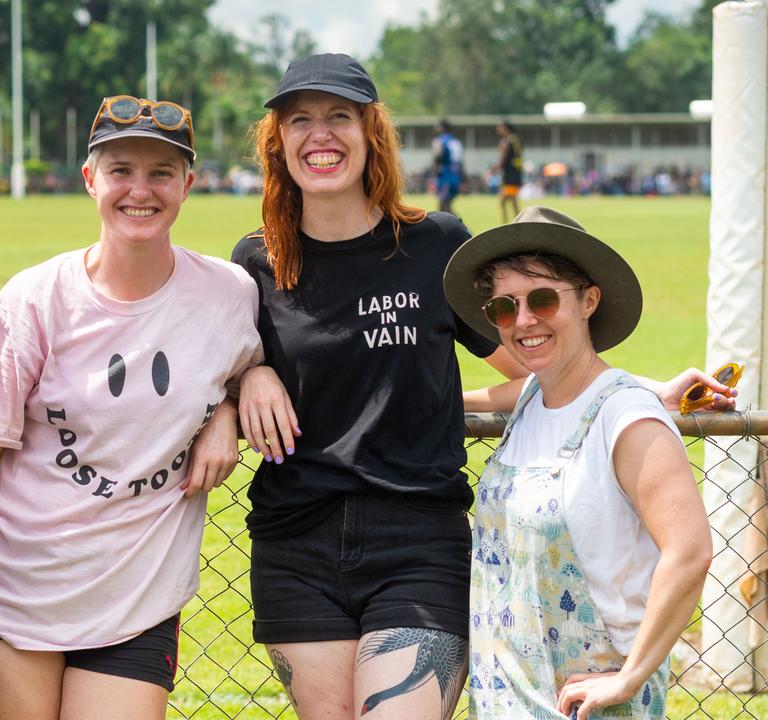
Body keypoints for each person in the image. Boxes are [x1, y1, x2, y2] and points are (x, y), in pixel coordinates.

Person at [232, 53, 735, 720]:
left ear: (370, 132)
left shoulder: (434, 245)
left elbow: (537, 361)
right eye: (300, 119)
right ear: (278, 140)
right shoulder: (256, 262)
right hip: (295, 541)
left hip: (414, 539)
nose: (319, 133)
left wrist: (642, 390)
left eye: (339, 117)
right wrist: (250, 373)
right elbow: (204, 374)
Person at [0, 96, 262, 720]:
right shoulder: (34, 300)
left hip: (134, 604)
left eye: (161, 172)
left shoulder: (228, 294)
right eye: (121, 171)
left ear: (188, 184)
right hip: (12, 592)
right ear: (91, 180)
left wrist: (235, 400)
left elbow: (258, 365)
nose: (140, 189)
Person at [442, 206, 712, 719]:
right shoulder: (530, 402)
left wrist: (631, 677)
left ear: (589, 300)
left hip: (589, 706)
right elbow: (517, 387)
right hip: (507, 701)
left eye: (542, 299)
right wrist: (446, 400)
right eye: (504, 307)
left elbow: (691, 551)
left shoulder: (626, 416)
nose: (523, 321)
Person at [432, 118, 463, 215]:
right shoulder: (456, 142)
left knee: (444, 205)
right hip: (455, 177)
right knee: (444, 205)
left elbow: (438, 156)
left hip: (445, 176)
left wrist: (435, 170)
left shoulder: (440, 141)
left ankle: (461, 228)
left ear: (442, 128)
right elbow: (460, 161)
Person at [495, 121, 523, 222]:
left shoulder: (506, 142)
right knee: (513, 202)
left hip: (510, 176)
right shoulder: (515, 140)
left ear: (506, 129)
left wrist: (490, 172)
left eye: (500, 127)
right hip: (516, 174)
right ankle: (519, 223)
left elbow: (502, 161)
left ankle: (506, 226)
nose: (497, 129)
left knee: (504, 201)